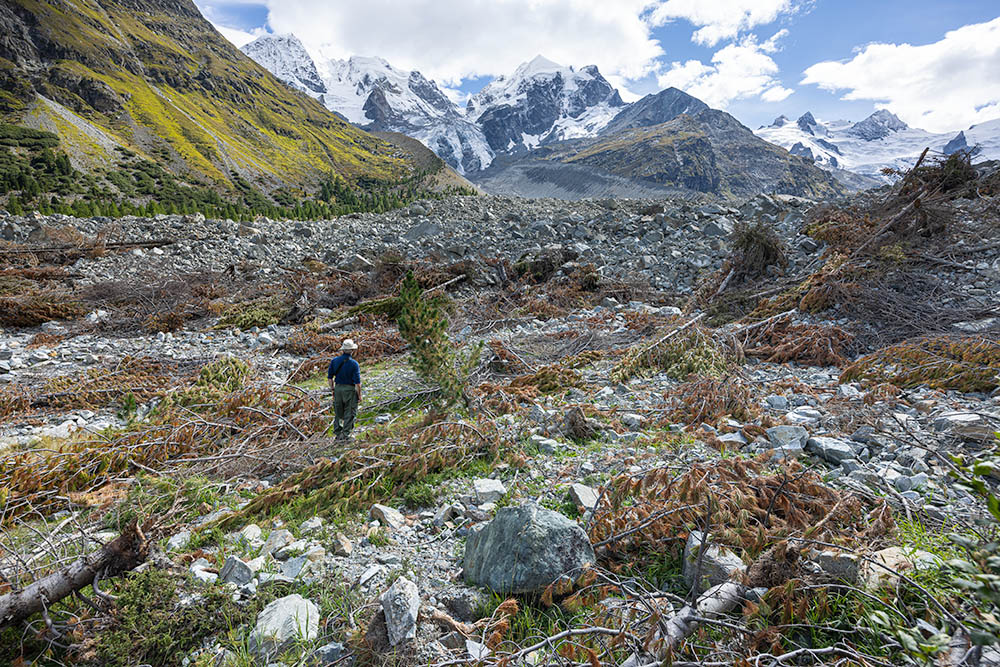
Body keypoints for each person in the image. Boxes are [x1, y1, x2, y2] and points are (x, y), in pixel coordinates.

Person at [327, 339, 361, 441]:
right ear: (352, 350)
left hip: (338, 388)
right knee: (350, 412)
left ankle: (338, 433)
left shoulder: (334, 361)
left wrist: (333, 389)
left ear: (343, 350)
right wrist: (359, 395)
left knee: (338, 412)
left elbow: (329, 378)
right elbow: (357, 383)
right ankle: (345, 435)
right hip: (350, 389)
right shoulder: (354, 364)